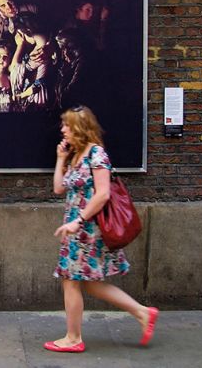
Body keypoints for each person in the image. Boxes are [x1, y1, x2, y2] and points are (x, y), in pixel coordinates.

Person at [46, 105, 158, 353]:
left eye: (66, 125)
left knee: (71, 281)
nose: (62, 129)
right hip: (76, 229)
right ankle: (142, 312)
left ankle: (73, 338)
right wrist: (61, 159)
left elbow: (103, 194)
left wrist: (78, 220)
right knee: (89, 283)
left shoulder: (97, 155)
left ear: (79, 128)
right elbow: (58, 188)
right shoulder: (77, 155)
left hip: (86, 229)